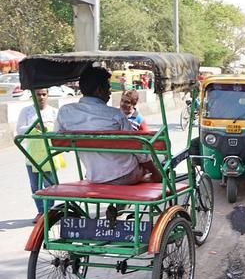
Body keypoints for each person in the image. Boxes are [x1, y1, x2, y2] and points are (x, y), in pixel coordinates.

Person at [55, 66, 162, 185]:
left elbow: (58, 144)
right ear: (99, 90)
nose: (110, 92)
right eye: (108, 87)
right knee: (156, 161)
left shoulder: (65, 112)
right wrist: (156, 173)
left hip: (94, 177)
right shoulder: (116, 115)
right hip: (126, 175)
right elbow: (138, 149)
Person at [16, 89, 59, 223]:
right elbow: (20, 130)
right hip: (32, 154)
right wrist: (35, 127)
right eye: (38, 95)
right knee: (35, 186)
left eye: (43, 94)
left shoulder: (53, 112)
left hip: (49, 154)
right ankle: (41, 211)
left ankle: (49, 212)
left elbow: (59, 130)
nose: (41, 97)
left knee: (50, 185)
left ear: (47, 95)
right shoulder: (26, 111)